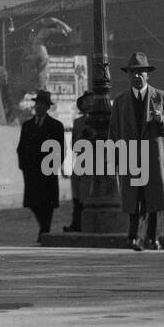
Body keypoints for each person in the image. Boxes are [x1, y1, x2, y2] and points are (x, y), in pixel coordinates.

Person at [107, 52, 164, 251]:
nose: (137, 76)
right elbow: (113, 130)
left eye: (140, 72)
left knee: (154, 199)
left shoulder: (162, 97)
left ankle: (152, 238)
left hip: (154, 156)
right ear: (128, 76)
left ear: (148, 75)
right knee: (133, 198)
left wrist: (161, 120)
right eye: (133, 73)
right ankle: (133, 237)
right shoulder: (121, 101)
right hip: (130, 156)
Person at [17, 89, 64, 239]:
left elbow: (60, 148)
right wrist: (23, 165)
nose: (38, 107)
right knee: (33, 202)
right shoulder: (27, 126)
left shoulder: (56, 126)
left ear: (47, 107)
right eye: (37, 104)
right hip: (31, 170)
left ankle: (44, 230)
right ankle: (44, 228)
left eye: (42, 104)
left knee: (47, 203)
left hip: (47, 170)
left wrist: (54, 165)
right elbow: (21, 148)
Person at [64, 91, 94, 232]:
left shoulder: (103, 119)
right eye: (86, 100)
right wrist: (82, 136)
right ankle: (76, 223)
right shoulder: (78, 122)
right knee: (77, 195)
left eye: (91, 100)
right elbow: (74, 144)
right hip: (81, 161)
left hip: (97, 162)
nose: (89, 102)